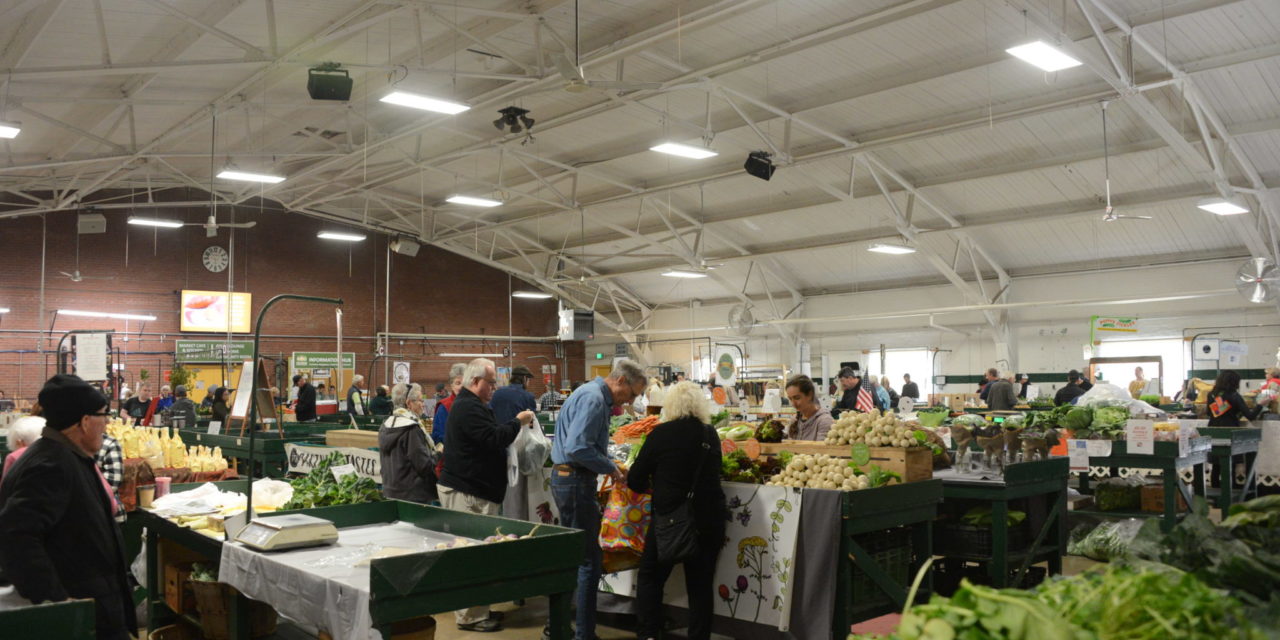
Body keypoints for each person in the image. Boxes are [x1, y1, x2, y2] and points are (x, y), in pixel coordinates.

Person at [0, 374, 136, 639]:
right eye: (103, 416)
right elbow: (16, 537)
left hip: (94, 607)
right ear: (84, 422)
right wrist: (58, 603)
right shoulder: (51, 465)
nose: (106, 424)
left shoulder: (65, 457)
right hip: (82, 617)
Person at [551, 359, 645, 640]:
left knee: (572, 557)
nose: (631, 400)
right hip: (576, 481)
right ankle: (584, 633)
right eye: (633, 393)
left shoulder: (589, 393)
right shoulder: (594, 399)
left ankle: (557, 626)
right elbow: (578, 447)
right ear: (621, 381)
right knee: (589, 561)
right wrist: (611, 468)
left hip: (568, 479)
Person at [438, 359, 534, 633]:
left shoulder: (474, 405)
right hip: (467, 491)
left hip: (476, 489)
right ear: (475, 382)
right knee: (470, 556)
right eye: (491, 383)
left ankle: (480, 609)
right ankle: (470, 617)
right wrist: (518, 421)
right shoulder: (468, 407)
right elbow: (493, 438)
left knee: (480, 554)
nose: (494, 387)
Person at [627, 381, 725, 640]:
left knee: (650, 576)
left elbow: (635, 478)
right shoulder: (710, 433)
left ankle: (649, 633)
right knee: (701, 586)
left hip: (671, 520)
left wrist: (657, 485)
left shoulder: (660, 434)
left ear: (669, 405)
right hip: (709, 519)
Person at [379, 382, 439, 504]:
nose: (423, 405)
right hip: (413, 497)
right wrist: (439, 454)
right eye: (420, 401)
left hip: (390, 492)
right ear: (409, 403)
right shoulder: (411, 429)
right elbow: (424, 466)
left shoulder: (385, 426)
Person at [785, 375, 833, 440]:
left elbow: (821, 449)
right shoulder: (794, 420)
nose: (793, 404)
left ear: (810, 394)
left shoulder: (824, 421)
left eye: (797, 398)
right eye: (790, 399)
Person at [431, 363, 466, 446]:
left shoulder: (478, 405)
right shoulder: (444, 407)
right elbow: (438, 437)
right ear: (452, 385)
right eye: (458, 383)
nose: (462, 387)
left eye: (465, 383)